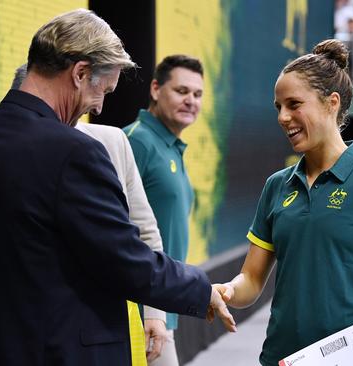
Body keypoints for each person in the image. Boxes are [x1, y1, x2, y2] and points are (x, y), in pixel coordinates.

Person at [0, 10, 234, 366]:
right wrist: (200, 287)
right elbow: (124, 259)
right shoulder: (73, 151)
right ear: (80, 73)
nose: (98, 106)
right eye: (103, 90)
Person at [214, 39, 353, 366]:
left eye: (294, 104)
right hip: (280, 359)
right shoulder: (277, 186)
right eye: (278, 107)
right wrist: (228, 291)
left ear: (331, 103)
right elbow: (251, 279)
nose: (283, 117)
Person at [11, 63, 168, 365]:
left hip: (109, 326)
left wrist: (154, 313)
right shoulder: (10, 151)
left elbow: (144, 232)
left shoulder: (112, 141)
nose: (98, 107)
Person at [123, 54, 204, 366]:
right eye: (182, 91)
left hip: (163, 307)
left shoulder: (171, 147)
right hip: (139, 309)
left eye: (197, 95)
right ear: (156, 89)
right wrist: (146, 312)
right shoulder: (135, 142)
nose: (191, 101)